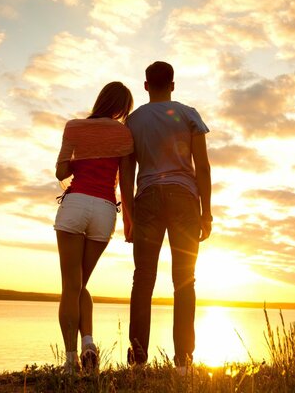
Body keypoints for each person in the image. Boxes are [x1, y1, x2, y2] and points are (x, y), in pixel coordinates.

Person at [120, 61, 213, 371]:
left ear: (146, 86)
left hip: (146, 198)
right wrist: (207, 212)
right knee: (184, 281)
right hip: (185, 198)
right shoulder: (188, 114)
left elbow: (126, 170)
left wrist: (128, 215)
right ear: (173, 84)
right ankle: (184, 363)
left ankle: (138, 362)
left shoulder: (132, 121)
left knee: (143, 279)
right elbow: (203, 166)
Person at [54, 81, 134, 373]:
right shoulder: (124, 133)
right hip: (103, 210)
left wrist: (80, 164)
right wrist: (129, 221)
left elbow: (61, 171)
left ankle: (71, 361)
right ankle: (88, 342)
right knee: (80, 285)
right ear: (122, 108)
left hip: (75, 206)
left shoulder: (74, 126)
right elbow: (126, 181)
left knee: (70, 287)